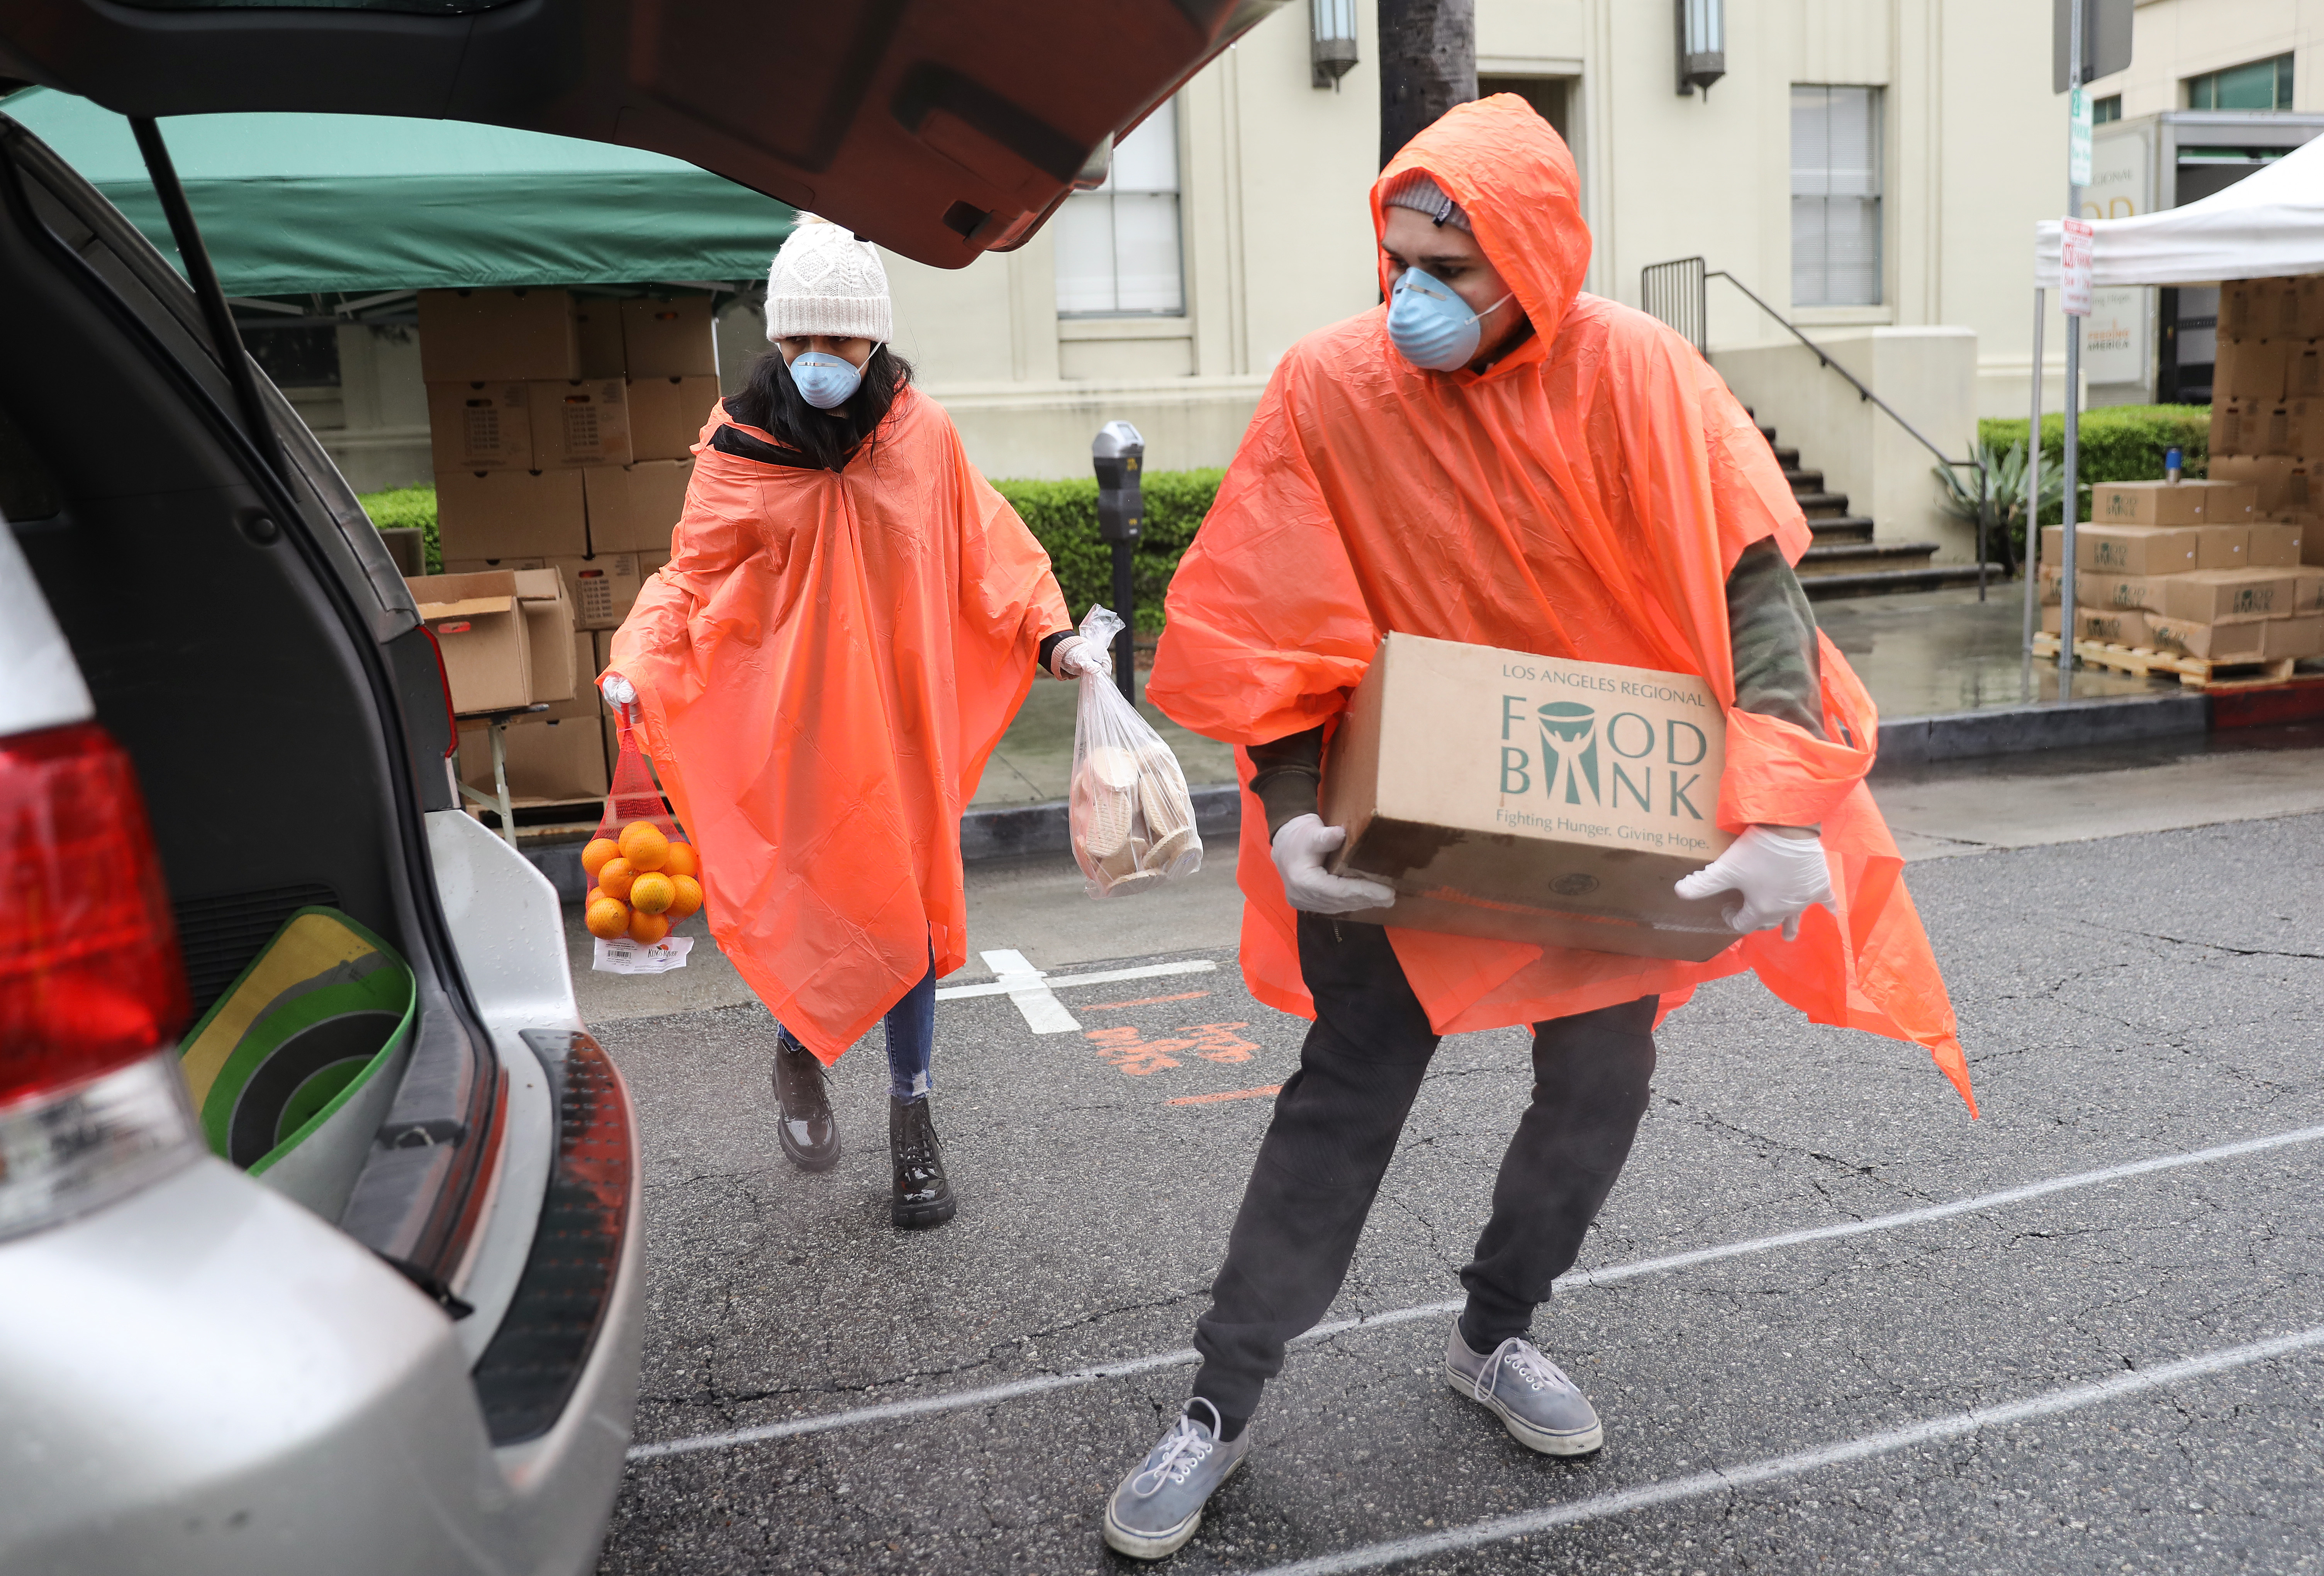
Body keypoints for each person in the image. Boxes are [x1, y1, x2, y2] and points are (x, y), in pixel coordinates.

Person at [1099, 98, 1971, 1559]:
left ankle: (1496, 1328)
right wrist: (1292, 810)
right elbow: (1269, 613)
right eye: (1398, 261)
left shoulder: (1636, 373)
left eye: (1454, 266)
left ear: (1537, 260)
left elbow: (1754, 590)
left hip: (1602, 816)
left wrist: (1773, 813)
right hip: (1410, 822)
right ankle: (1220, 1400)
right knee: (1344, 1098)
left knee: (1600, 1083)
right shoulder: (1332, 385)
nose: (1415, 297)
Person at [600, 219, 1103, 1229]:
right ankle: (798, 1052)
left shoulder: (923, 437)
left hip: (901, 730)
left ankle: (912, 1121)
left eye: (843, 343)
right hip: (787, 729)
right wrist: (636, 663)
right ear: (776, 341)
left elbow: (986, 549)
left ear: (875, 342)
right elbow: (687, 577)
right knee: (809, 905)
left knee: (909, 922)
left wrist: (1052, 636)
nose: (820, 364)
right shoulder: (738, 448)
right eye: (800, 344)